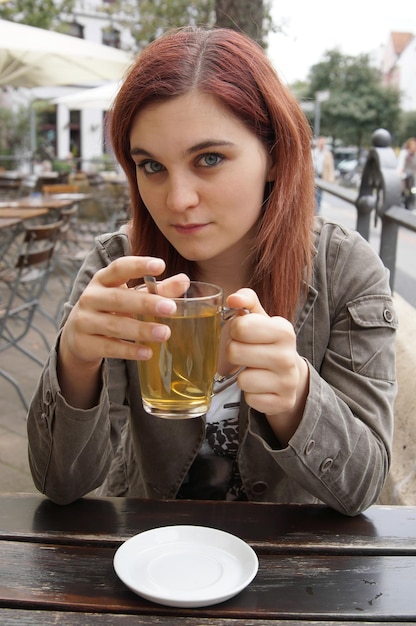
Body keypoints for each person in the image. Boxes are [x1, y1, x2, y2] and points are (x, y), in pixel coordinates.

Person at [27, 27, 397, 515]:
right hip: (149, 557)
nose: (177, 200)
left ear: (273, 154)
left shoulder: (345, 270)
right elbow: (61, 485)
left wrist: (297, 398)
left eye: (209, 158)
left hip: (293, 570)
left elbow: (363, 489)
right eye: (152, 166)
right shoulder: (119, 269)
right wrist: (74, 363)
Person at [312, 136, 335, 213]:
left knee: (319, 196)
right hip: (313, 176)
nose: (322, 144)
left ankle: (317, 213)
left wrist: (330, 180)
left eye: (323, 143)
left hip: (322, 176)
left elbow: (331, 168)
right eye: (321, 142)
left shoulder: (327, 154)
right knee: (312, 195)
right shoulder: (313, 152)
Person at [397, 137, 416, 209]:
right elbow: (400, 165)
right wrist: (400, 173)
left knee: (413, 191)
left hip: (412, 177)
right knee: (402, 189)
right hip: (404, 176)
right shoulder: (404, 153)